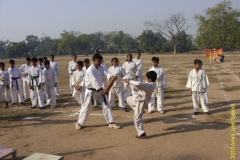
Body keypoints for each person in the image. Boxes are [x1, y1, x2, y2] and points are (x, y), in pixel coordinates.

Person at [75, 54, 120, 130]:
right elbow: (94, 81)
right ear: (93, 61)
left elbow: (106, 72)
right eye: (98, 61)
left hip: (100, 90)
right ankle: (79, 123)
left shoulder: (101, 67)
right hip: (92, 91)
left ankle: (111, 122)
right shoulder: (90, 70)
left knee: (107, 105)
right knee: (87, 108)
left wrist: (110, 77)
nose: (99, 63)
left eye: (100, 61)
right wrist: (102, 89)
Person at [125, 71, 157, 138]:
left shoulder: (149, 85)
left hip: (142, 102)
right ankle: (141, 111)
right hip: (140, 99)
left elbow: (138, 84)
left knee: (137, 118)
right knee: (128, 99)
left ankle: (141, 133)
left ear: (150, 79)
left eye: (147, 78)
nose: (146, 78)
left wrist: (129, 82)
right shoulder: (153, 84)